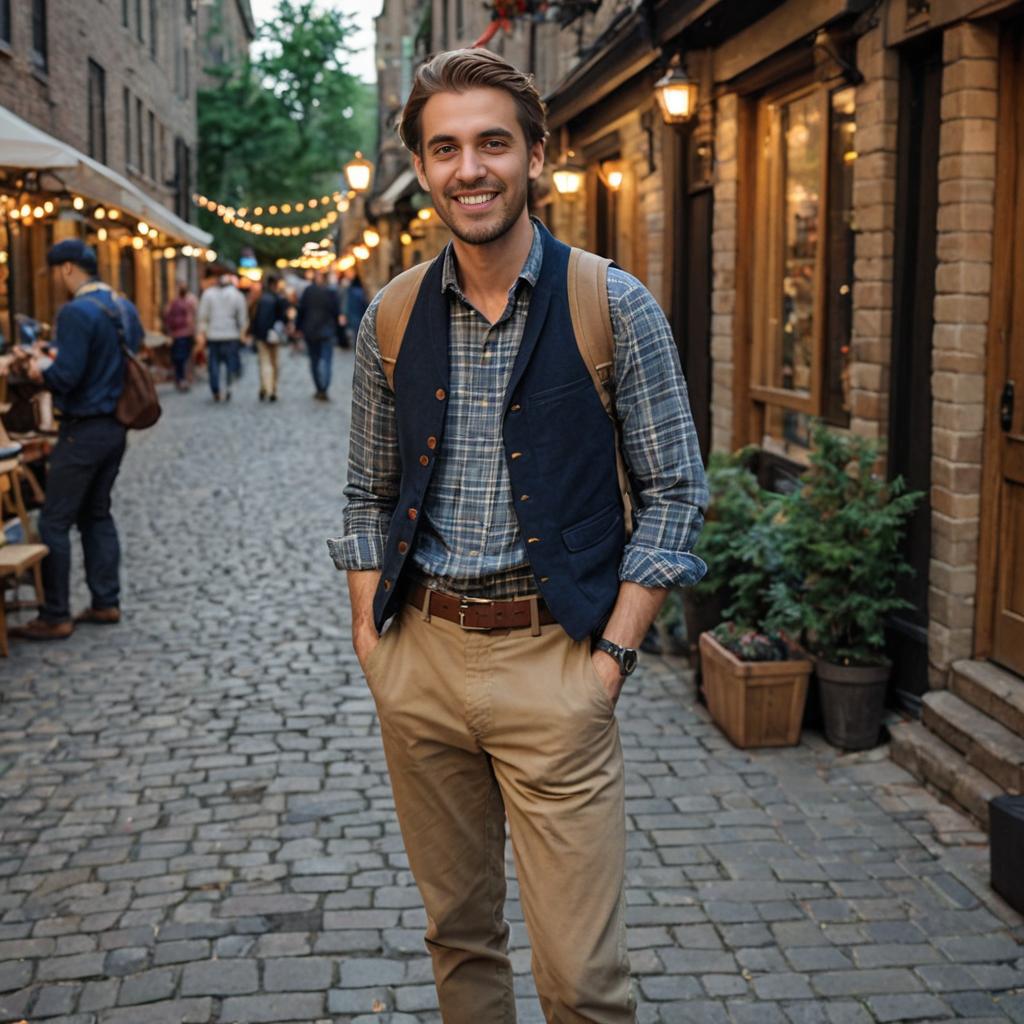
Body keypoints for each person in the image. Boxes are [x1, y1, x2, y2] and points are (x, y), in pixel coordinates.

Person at [330, 49, 707, 1023]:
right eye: (445, 147)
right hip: (422, 657)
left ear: (536, 155)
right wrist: (376, 644)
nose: (470, 168)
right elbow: (367, 495)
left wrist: (612, 659)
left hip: (557, 661)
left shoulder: (610, 304)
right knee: (458, 940)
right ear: (423, 166)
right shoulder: (393, 315)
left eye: (493, 142)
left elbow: (674, 492)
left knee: (583, 982)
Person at [10, 239, 143, 640]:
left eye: (55, 272)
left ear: (67, 268)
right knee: (97, 513)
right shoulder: (123, 306)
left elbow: (65, 376)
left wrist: (36, 370)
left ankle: (55, 613)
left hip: (83, 428)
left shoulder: (75, 312)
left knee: (54, 520)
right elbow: (114, 356)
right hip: (116, 427)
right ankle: (106, 601)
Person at [196, 272, 247, 402]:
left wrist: (202, 333)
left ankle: (216, 390)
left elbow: (203, 316)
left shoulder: (208, 294)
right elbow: (242, 316)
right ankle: (229, 387)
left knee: (214, 364)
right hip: (231, 335)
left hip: (214, 335)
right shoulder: (237, 295)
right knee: (230, 363)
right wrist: (242, 331)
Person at [296, 270, 341, 400]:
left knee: (315, 360)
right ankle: (324, 386)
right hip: (326, 330)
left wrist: (298, 327)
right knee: (326, 360)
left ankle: (319, 387)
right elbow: (336, 312)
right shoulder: (331, 292)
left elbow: (301, 310)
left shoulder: (308, 291)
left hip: (310, 330)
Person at [250, 274, 289, 402]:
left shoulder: (260, 299)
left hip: (261, 335)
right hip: (274, 335)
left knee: (264, 362)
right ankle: (272, 388)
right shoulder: (279, 298)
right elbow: (284, 317)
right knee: (274, 363)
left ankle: (266, 388)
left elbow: (253, 317)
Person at [163, 282, 197, 391]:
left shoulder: (173, 303)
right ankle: (182, 379)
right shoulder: (188, 303)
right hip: (185, 334)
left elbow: (167, 317)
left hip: (177, 335)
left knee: (178, 358)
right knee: (183, 357)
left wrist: (169, 331)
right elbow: (190, 319)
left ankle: (180, 378)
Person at [344, 270, 368, 347]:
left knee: (356, 335)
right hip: (359, 315)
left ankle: (357, 349)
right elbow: (364, 304)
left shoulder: (351, 291)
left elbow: (348, 304)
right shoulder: (360, 292)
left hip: (353, 316)